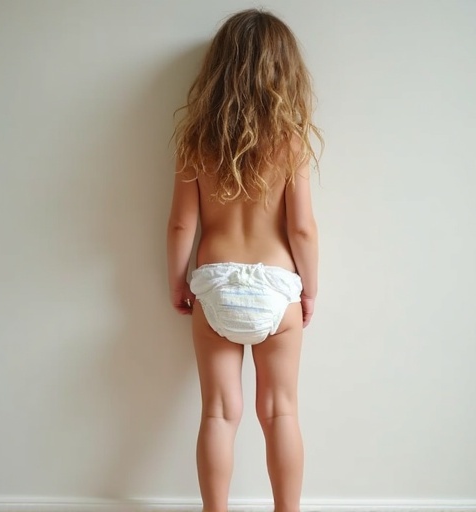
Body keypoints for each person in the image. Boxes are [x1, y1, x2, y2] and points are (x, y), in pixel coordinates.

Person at [167, 8, 322, 512]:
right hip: (277, 290)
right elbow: (301, 228)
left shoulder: (196, 142)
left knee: (217, 413)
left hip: (213, 282)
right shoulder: (290, 142)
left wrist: (177, 281)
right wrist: (311, 289)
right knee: (280, 413)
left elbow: (181, 225)